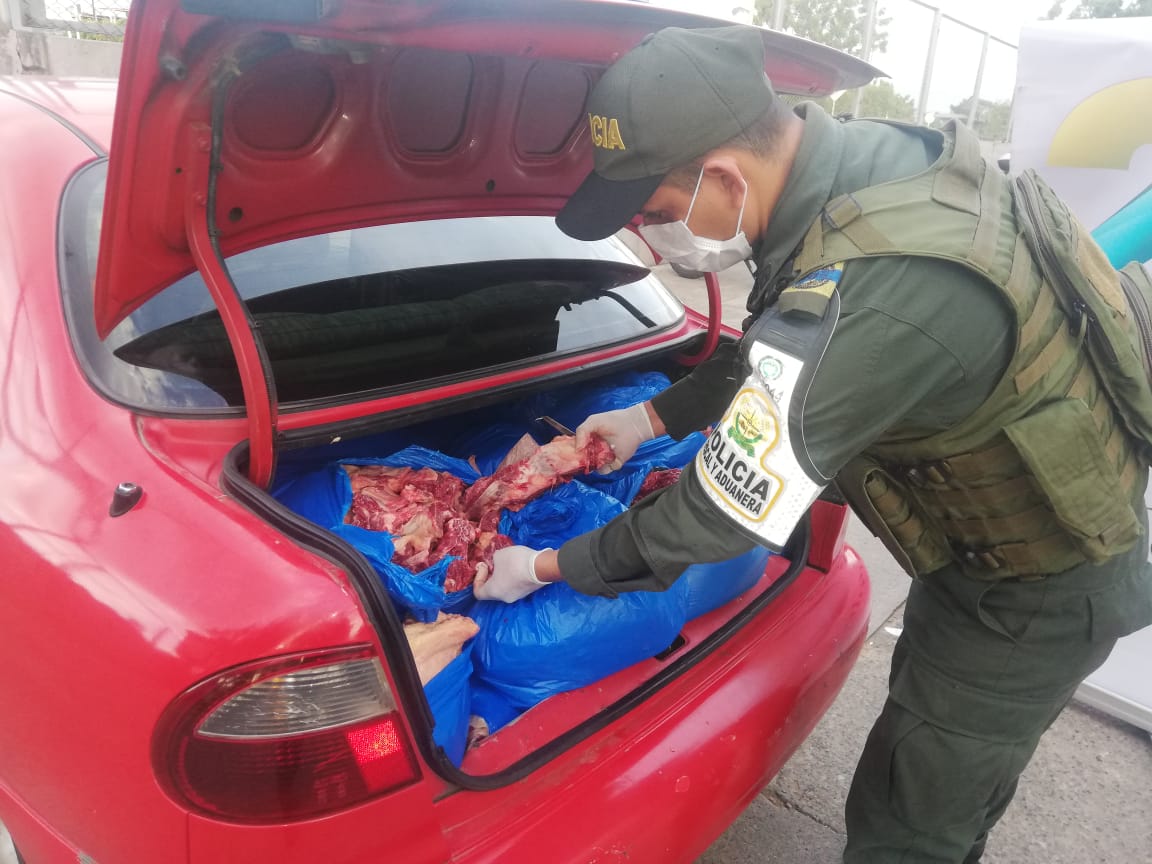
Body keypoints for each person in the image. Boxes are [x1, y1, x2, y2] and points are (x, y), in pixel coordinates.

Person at [472, 24, 1152, 864]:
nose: (653, 240)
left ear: (726, 177)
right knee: (940, 775)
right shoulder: (863, 168)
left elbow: (717, 516)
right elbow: (779, 346)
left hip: (1030, 591)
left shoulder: (882, 285)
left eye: (657, 214)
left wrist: (543, 567)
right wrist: (648, 419)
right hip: (981, 547)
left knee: (911, 822)